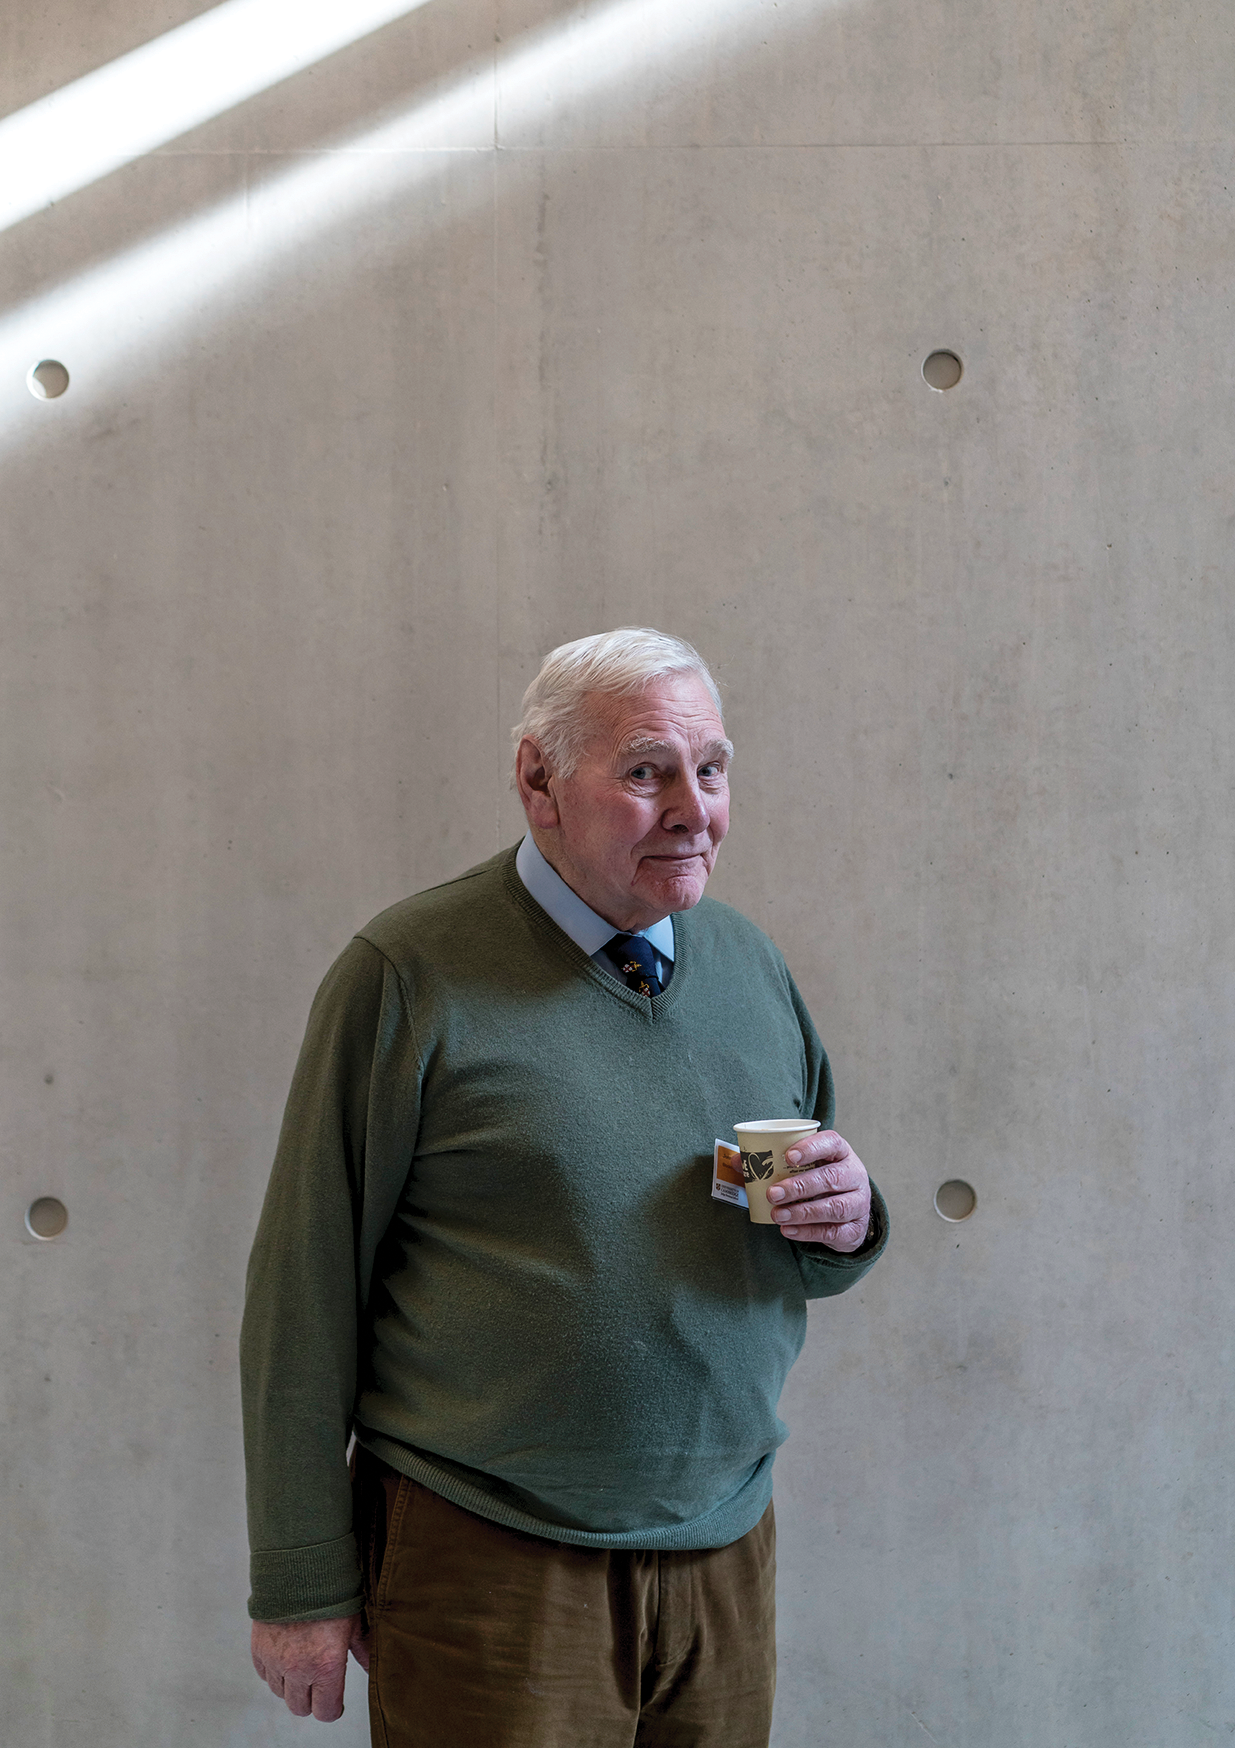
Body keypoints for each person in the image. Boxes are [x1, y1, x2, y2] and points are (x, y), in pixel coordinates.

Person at [240, 627, 888, 1747]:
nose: (692, 809)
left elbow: (791, 1239)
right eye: (645, 771)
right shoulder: (407, 976)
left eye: (711, 769)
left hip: (724, 1550)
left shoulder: (749, 966)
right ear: (537, 780)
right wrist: (301, 1580)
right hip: (488, 1555)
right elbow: (303, 1291)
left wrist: (847, 1222)